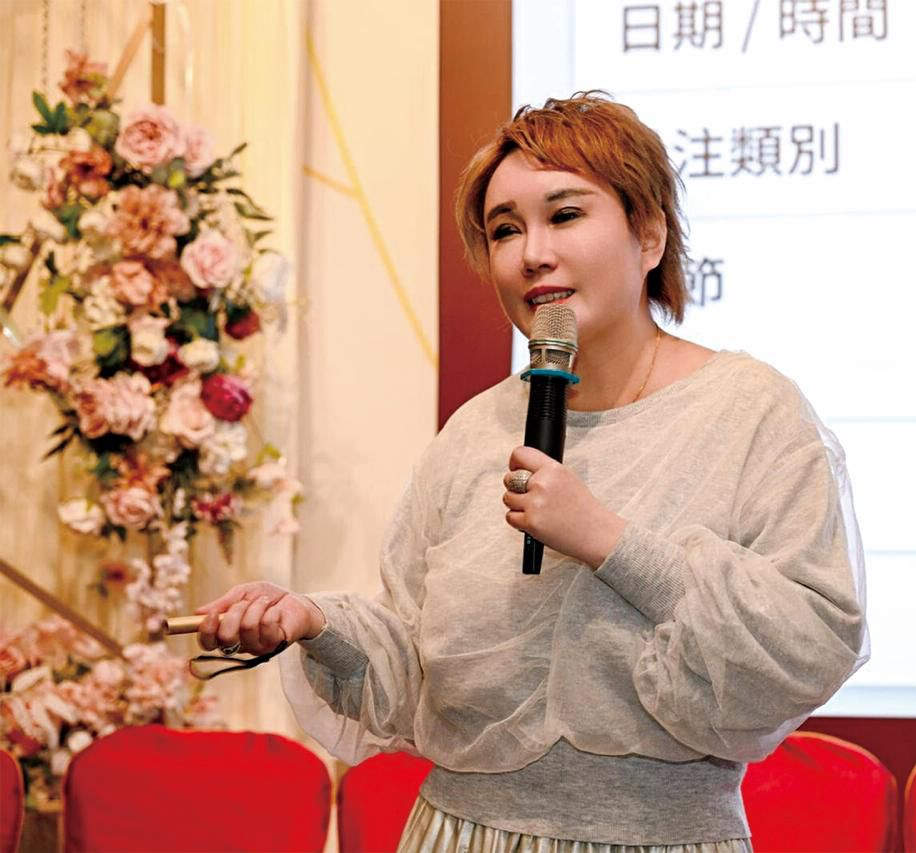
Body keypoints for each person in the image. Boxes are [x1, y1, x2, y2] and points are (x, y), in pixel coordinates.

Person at [196, 92, 869, 852]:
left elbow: (810, 640)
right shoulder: (476, 428)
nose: (531, 254)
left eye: (565, 215)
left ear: (649, 233)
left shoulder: (750, 410)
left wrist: (609, 541)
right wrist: (312, 622)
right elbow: (413, 663)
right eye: (505, 230)